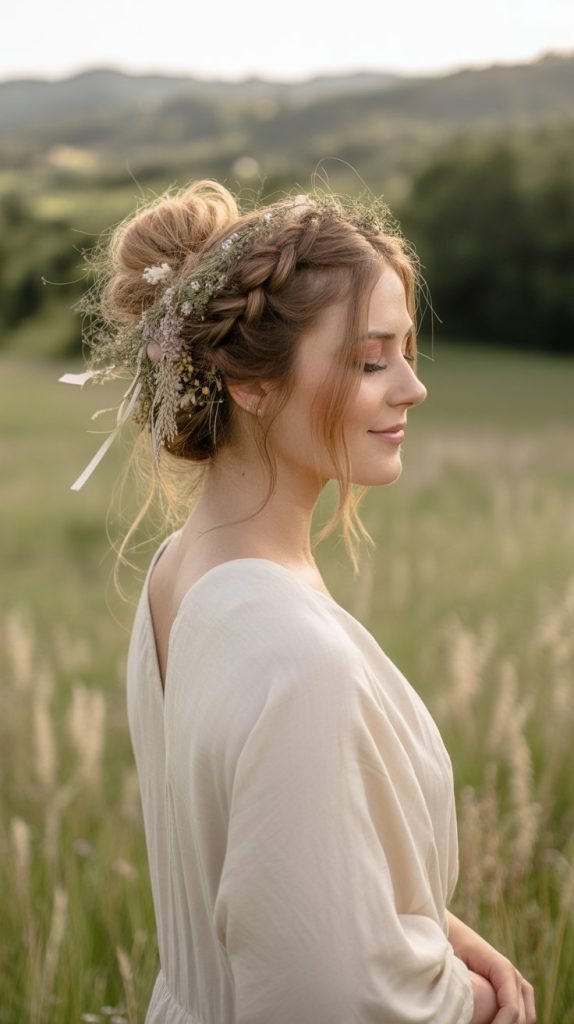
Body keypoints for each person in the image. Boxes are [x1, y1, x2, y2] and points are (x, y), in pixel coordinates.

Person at [64, 181, 536, 1023]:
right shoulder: (293, 652)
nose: (411, 388)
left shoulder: (183, 570)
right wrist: (469, 1001)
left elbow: (283, 865)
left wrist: (447, 934)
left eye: (408, 351)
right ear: (250, 383)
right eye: (368, 359)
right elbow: (328, 994)